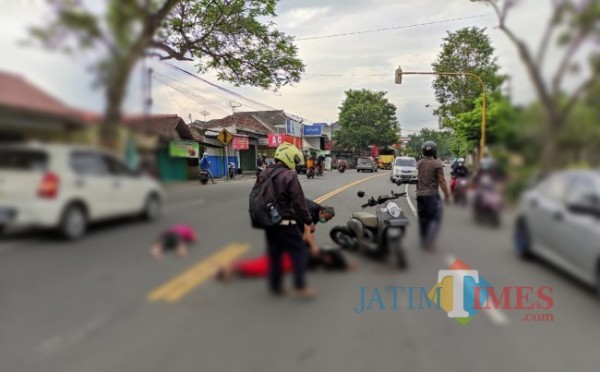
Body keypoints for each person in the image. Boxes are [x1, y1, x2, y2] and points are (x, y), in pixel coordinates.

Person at [215, 201, 354, 280]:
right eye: (327, 218)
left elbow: (309, 231)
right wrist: (313, 247)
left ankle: (232, 268)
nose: (326, 221)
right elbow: (307, 231)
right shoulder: (310, 212)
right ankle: (231, 268)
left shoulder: (318, 211)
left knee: (270, 263)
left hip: (292, 237)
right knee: (269, 264)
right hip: (282, 221)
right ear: (323, 212)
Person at [260, 142, 316, 297]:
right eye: (295, 160)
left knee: (275, 254)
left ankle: (275, 286)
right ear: (289, 157)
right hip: (286, 223)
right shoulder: (289, 175)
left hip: (269, 223)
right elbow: (299, 202)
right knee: (299, 253)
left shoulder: (264, 173)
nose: (296, 164)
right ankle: (300, 286)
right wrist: (309, 221)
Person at [416, 141, 450, 251]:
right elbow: (442, 181)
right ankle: (429, 242)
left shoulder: (420, 163)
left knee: (423, 218)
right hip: (432, 195)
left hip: (420, 195)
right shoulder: (437, 164)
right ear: (435, 151)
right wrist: (447, 195)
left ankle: (423, 240)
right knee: (434, 218)